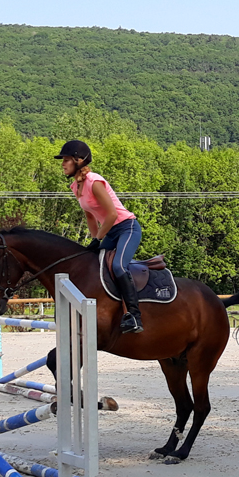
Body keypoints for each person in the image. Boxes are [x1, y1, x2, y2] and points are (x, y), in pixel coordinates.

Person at [55, 139, 145, 334]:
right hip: (110, 232)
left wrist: (97, 240)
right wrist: (95, 237)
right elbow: (90, 216)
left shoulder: (94, 182)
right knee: (93, 265)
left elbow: (112, 214)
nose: (62, 163)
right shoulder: (75, 187)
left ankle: (134, 316)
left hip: (127, 228)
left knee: (119, 267)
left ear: (79, 161)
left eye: (66, 159)